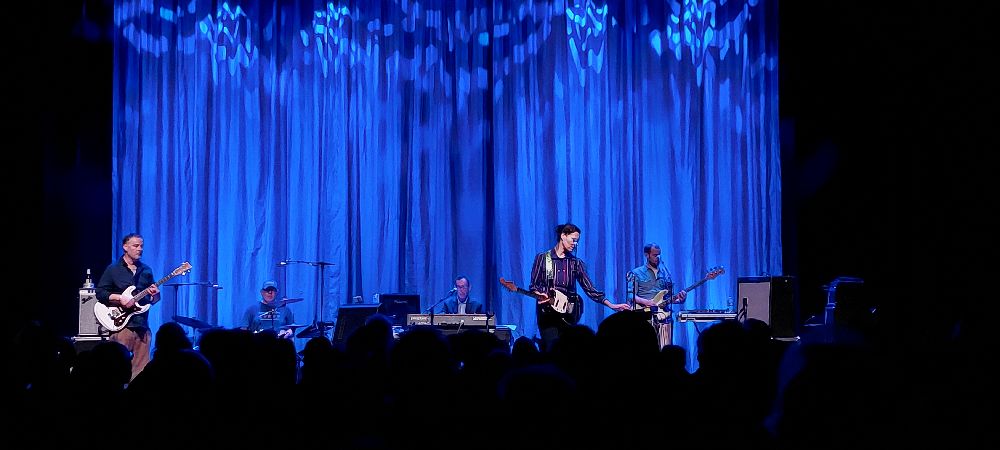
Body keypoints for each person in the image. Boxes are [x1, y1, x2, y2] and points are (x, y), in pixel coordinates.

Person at [529, 223, 630, 351]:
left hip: (568, 315)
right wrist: (541, 293)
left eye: (577, 241)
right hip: (547, 315)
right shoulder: (543, 258)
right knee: (551, 349)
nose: (575, 244)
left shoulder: (575, 263)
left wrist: (611, 305)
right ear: (563, 236)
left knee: (568, 350)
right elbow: (534, 285)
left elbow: (590, 288)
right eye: (573, 240)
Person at [95, 232, 160, 380]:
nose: (140, 249)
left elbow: (153, 300)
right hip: (121, 326)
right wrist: (120, 298)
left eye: (141, 246)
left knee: (141, 371)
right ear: (125, 247)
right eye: (136, 246)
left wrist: (155, 294)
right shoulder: (113, 269)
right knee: (117, 368)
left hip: (142, 325)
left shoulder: (146, 270)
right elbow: (100, 293)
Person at [629, 242, 687, 349]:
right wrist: (647, 302)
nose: (658, 257)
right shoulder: (636, 273)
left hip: (663, 317)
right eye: (655, 255)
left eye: (659, 254)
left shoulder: (665, 274)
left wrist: (680, 299)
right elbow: (630, 296)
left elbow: (669, 298)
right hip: (643, 315)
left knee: (664, 349)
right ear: (647, 255)